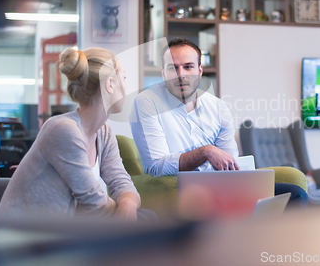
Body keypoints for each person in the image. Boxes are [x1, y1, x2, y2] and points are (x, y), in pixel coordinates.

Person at [130, 38, 308, 207]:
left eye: (188, 67)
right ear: (163, 73)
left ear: (200, 71)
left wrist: (244, 181)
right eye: (172, 68)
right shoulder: (147, 102)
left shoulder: (217, 107)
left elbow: (231, 162)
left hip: (222, 187)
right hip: (181, 191)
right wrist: (206, 152)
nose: (180, 75)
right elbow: (156, 167)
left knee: (294, 194)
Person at [0, 47, 142, 220]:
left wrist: (128, 204)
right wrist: (125, 213)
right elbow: (94, 203)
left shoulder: (104, 134)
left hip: (65, 233)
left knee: (145, 218)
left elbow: (122, 183)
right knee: (146, 220)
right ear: (110, 84)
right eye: (123, 78)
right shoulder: (63, 130)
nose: (125, 87)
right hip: (25, 236)